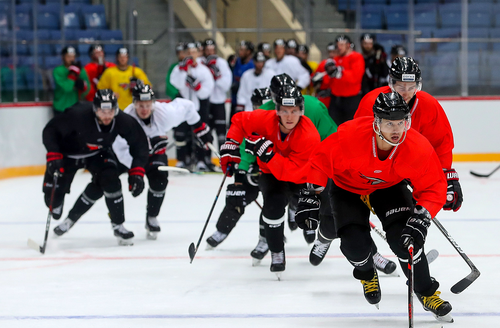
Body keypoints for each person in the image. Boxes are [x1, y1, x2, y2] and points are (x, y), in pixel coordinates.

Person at [295, 92, 453, 322]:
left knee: (407, 241)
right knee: (354, 246)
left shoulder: (416, 146)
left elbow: (433, 186)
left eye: (402, 122)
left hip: (387, 187)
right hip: (347, 187)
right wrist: (310, 194)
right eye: (390, 123)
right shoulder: (350, 136)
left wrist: (422, 216)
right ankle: (367, 273)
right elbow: (319, 160)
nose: (397, 129)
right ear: (376, 122)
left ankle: (426, 291)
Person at [56, 84, 214, 240]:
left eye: (147, 105)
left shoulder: (165, 113)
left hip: (153, 154)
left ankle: (151, 218)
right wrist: (137, 170)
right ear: (134, 103)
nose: (144, 109)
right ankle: (70, 219)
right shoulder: (125, 119)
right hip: (126, 155)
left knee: (159, 180)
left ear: (153, 103)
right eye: (140, 105)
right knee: (102, 182)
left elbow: (187, 106)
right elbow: (122, 150)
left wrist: (200, 127)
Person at [219, 85, 321, 278]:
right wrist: (232, 143)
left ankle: (302, 217)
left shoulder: (309, 136)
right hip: (271, 174)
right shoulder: (265, 120)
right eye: (284, 111)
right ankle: (276, 251)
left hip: (299, 176)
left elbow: (291, 172)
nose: (289, 117)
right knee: (272, 207)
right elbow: (239, 121)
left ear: (301, 111)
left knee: (313, 207)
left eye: (294, 111)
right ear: (277, 111)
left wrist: (268, 154)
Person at [355, 57, 462, 213]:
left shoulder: (428, 105)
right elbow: (358, 142)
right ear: (391, 83)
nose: (406, 93)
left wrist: (443, 176)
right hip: (375, 173)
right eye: (401, 86)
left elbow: (441, 143)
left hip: (407, 168)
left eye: (411, 87)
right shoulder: (371, 102)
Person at [43, 90, 149, 245]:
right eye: (102, 111)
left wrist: (137, 171)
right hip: (68, 155)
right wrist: (53, 154)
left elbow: (140, 144)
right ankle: (57, 204)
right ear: (95, 109)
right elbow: (50, 130)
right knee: (52, 203)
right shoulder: (77, 115)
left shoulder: (121, 120)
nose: (107, 116)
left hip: (97, 154)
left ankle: (118, 225)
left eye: (110, 111)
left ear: (116, 109)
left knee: (111, 179)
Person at [205, 88, 271, 261]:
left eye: (264, 105)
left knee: (274, 203)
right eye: (258, 105)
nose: (261, 109)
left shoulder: (279, 123)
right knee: (237, 196)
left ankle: (267, 238)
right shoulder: (248, 122)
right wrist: (240, 175)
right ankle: (222, 230)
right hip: (252, 170)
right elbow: (242, 152)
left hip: (275, 170)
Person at [170, 42, 215, 171]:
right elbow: (176, 83)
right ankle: (182, 159)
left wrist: (197, 86)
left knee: (200, 133)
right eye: (188, 52)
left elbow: (207, 91)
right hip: (183, 106)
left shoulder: (204, 70)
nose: (191, 55)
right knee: (180, 134)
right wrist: (183, 71)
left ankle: (201, 160)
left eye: (194, 52)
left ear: (198, 53)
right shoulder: (180, 68)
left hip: (198, 107)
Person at [323, 35, 365, 125]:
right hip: (336, 99)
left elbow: (355, 77)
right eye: (338, 45)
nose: (339, 47)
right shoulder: (335, 59)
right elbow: (330, 79)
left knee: (350, 127)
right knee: (333, 126)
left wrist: (340, 73)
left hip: (351, 100)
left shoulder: (357, 57)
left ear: (348, 45)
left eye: (342, 44)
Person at [200, 39, 233, 153]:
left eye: (212, 49)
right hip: (204, 102)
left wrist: (217, 76)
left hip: (218, 101)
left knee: (221, 132)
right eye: (207, 50)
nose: (210, 52)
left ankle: (223, 157)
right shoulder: (199, 62)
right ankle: (204, 160)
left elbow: (226, 85)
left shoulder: (221, 63)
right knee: (205, 132)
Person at [53, 46, 90, 116]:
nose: (71, 59)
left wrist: (83, 88)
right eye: (68, 56)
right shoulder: (58, 70)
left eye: (73, 56)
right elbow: (66, 88)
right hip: (60, 106)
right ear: (63, 57)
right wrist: (73, 76)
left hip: (75, 106)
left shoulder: (81, 70)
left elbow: (87, 87)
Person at [231, 41, 255, 119]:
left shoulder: (253, 65)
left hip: (246, 102)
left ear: (248, 51)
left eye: (242, 50)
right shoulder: (236, 61)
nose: (240, 52)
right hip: (235, 99)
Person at [312, 42, 338, 108]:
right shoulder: (323, 64)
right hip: (324, 97)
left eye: (334, 52)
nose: (331, 54)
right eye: (330, 52)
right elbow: (313, 79)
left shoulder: (340, 62)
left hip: (338, 97)